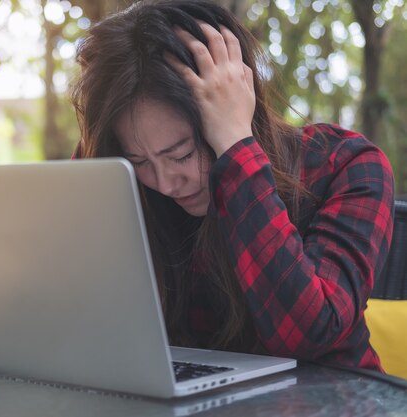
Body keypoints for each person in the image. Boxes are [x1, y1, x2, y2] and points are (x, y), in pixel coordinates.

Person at [70, 0, 394, 371]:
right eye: (140, 161)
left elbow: (308, 335)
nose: (165, 183)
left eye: (181, 154)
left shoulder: (347, 166)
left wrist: (237, 149)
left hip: (331, 403)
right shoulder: (122, 177)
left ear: (239, 101)